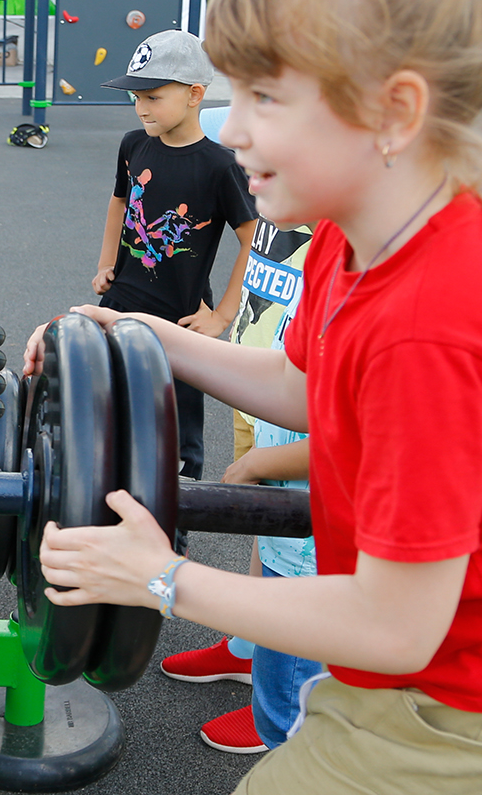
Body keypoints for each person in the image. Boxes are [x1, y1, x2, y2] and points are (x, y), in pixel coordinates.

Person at [31, 0, 482, 793]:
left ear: (394, 112)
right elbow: (302, 385)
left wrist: (162, 580)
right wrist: (139, 333)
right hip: (402, 676)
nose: (233, 129)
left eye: (265, 98)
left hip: (459, 709)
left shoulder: (436, 319)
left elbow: (393, 624)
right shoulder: (352, 234)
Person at [159, 216, 319, 756]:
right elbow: (290, 380)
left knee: (296, 618)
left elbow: (367, 439)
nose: (239, 139)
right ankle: (253, 648)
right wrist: (131, 326)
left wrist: (156, 578)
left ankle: (286, 715)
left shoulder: (392, 273)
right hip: (278, 412)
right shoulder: (337, 251)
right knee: (275, 550)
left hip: (320, 510)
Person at [91, 29, 256, 480]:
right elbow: (120, 202)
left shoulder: (220, 166)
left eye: (153, 96)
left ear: (195, 95)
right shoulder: (134, 144)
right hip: (121, 300)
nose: (141, 107)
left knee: (176, 426)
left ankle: (178, 515)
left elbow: (251, 237)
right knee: (108, 406)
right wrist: (107, 262)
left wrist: (222, 315)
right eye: (135, 97)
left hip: (180, 318)